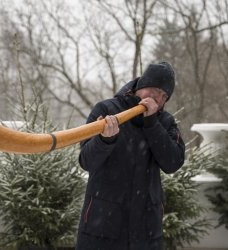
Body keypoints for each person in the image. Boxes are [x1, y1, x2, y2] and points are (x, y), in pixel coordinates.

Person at [75, 61, 185, 250]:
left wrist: (152, 123)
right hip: (101, 225)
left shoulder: (165, 122)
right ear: (140, 87)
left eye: (164, 95)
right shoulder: (106, 110)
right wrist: (104, 141)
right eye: (153, 90)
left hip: (147, 230)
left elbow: (173, 163)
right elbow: (86, 160)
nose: (157, 98)